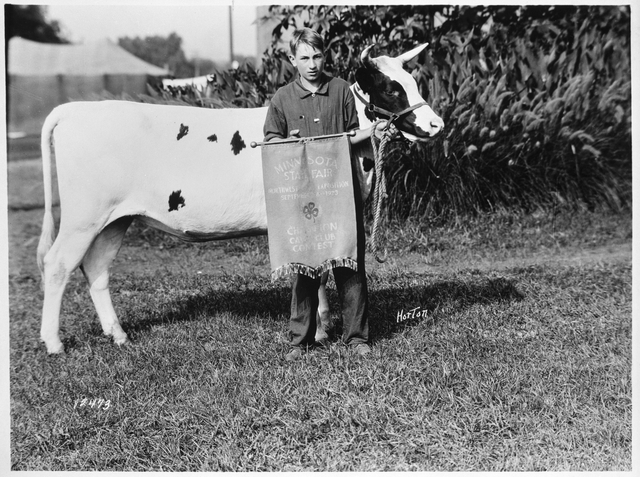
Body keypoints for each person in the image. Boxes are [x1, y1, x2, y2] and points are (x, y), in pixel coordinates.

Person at [263, 28, 384, 361]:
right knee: (306, 268)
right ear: (293, 60)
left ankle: (358, 337)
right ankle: (299, 340)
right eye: (304, 58)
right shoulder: (282, 98)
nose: (312, 64)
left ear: (324, 56)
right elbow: (270, 142)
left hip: (340, 189)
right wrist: (288, 141)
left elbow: (352, 134)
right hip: (304, 198)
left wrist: (375, 131)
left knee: (350, 264)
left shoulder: (341, 89)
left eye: (317, 56)